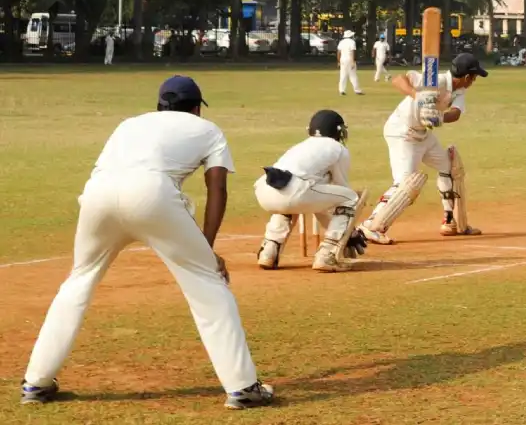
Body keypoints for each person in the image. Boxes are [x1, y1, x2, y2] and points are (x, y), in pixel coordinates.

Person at [20, 76, 272, 409]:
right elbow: (217, 189)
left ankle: (36, 383)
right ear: (196, 108)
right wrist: (207, 251)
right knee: (208, 284)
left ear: (159, 106)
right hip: (152, 194)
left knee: (78, 281)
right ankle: (242, 387)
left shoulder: (129, 125)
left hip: (98, 195)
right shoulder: (208, 129)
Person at [359, 53, 488, 243]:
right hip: (403, 132)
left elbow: (456, 113)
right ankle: (370, 225)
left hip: (424, 135)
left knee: (450, 168)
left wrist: (439, 117)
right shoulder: (435, 80)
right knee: (405, 183)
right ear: (468, 77)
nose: (474, 80)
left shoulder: (459, 91)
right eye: (474, 76)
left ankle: (450, 221)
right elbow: (399, 79)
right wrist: (417, 95)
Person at [254, 110, 369, 272]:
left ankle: (269, 250)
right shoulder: (337, 148)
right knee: (350, 197)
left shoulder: (301, 145)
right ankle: (327, 254)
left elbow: (319, 205)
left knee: (288, 203)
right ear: (337, 130)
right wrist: (349, 232)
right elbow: (341, 190)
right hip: (296, 191)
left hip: (265, 189)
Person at [336, 30, 363, 96]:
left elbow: (339, 52)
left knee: (343, 76)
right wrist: (353, 61)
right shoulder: (352, 42)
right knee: (353, 75)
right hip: (349, 59)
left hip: (343, 59)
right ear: (350, 36)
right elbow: (353, 52)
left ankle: (342, 90)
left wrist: (339, 61)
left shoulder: (341, 42)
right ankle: (357, 90)